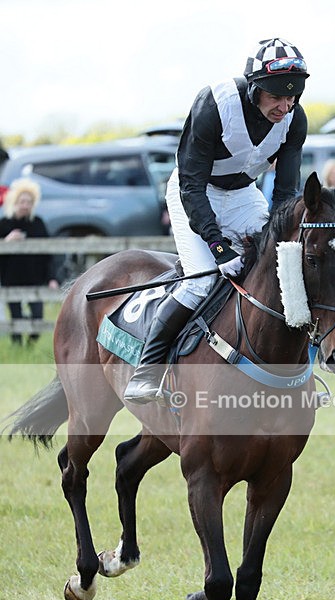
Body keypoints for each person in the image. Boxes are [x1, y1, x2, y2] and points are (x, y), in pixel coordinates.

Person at [124, 37, 309, 404]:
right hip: (195, 192)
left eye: (292, 97)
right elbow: (191, 186)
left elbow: (286, 193)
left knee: (275, 272)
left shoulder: (294, 119)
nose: (285, 106)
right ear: (255, 89)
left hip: (243, 197)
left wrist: (280, 241)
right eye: (276, 96)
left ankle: (298, 369)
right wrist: (218, 246)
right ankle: (148, 369)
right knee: (201, 282)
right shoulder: (215, 104)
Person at [0, 178, 58, 345]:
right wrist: (7, 242)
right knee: (16, 318)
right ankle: (17, 349)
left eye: (29, 202)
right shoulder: (4, 224)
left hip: (35, 278)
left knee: (38, 317)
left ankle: (31, 345)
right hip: (11, 279)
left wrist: (52, 278)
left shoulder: (37, 223)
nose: (25, 205)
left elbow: (48, 254)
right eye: (22, 202)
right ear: (14, 202)